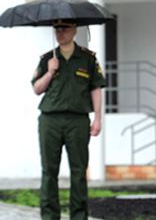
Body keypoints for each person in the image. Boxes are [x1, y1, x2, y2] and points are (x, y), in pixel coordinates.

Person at [31, 20, 106, 220]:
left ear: (74, 30)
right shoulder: (48, 58)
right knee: (49, 171)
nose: (60, 32)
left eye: (64, 29)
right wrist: (49, 72)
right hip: (50, 120)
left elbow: (96, 88)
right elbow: (37, 88)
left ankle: (79, 216)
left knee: (79, 171)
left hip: (78, 120)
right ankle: (49, 216)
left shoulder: (88, 59)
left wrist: (98, 118)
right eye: (57, 29)